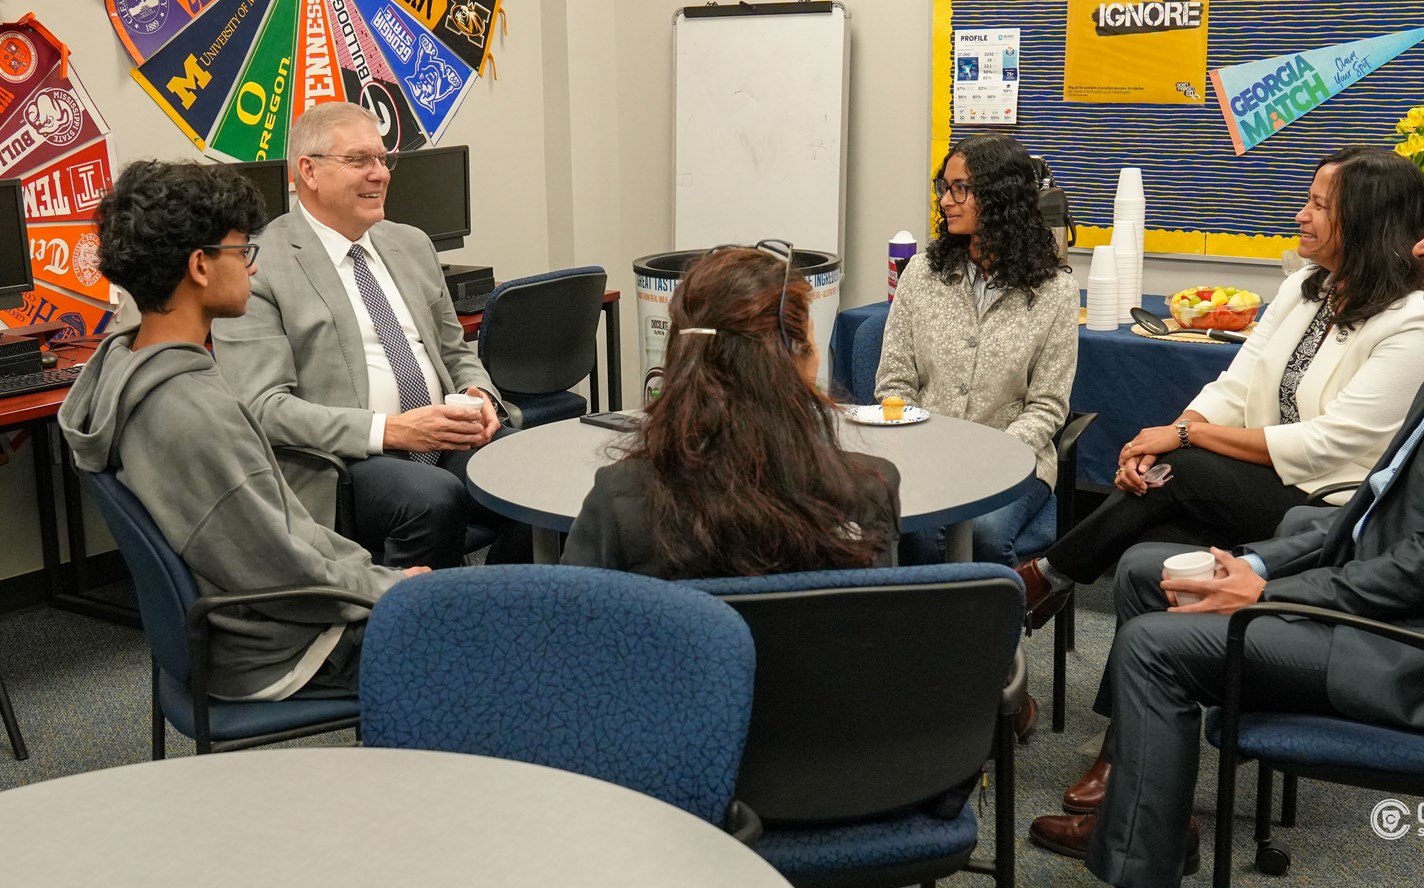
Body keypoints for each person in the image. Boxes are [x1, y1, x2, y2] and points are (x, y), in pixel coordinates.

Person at [1028, 146, 1424, 888]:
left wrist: (1268, 595)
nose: (1421, 245)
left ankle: (1142, 872)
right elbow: (1376, 508)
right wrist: (1263, 567)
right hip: (1390, 598)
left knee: (1153, 644)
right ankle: (1153, 814)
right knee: (1148, 570)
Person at [1016, 147, 1424, 636]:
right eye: (1306, 201)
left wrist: (1184, 438)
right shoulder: (1306, 287)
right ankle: (1137, 701)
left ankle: (1045, 577)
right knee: (1150, 552)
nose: (1301, 216)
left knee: (1181, 466)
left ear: (1368, 219)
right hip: (1263, 481)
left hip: (1330, 503)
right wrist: (1173, 432)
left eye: (1319, 206)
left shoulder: (1421, 321)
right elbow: (1234, 385)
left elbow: (1330, 444)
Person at [59, 161, 423, 700]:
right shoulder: (192, 412)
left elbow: (277, 539)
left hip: (253, 623)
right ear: (200, 267)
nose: (252, 268)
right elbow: (281, 572)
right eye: (242, 251)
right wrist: (392, 588)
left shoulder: (124, 364)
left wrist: (372, 576)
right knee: (491, 640)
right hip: (278, 646)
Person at [213, 101, 526, 571]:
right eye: (359, 160)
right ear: (308, 172)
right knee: (432, 498)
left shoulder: (411, 244)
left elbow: (455, 351)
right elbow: (263, 407)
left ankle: (503, 607)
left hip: (443, 439)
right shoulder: (259, 265)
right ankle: (409, 631)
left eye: (383, 159)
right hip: (342, 462)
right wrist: (392, 430)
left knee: (533, 467)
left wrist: (477, 392)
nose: (379, 173)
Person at [563, 243, 899, 577]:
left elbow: (577, 621)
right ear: (800, 364)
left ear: (680, 357)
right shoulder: (866, 493)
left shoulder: (623, 499)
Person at [875, 133, 1078, 566]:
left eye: (961, 188)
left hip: (1014, 457)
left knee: (983, 536)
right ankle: (922, 634)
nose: (947, 200)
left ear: (1001, 197)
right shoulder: (921, 275)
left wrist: (989, 459)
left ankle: (983, 631)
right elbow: (894, 382)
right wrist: (924, 449)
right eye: (944, 188)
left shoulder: (1056, 292)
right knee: (919, 532)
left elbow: (1047, 406)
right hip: (927, 454)